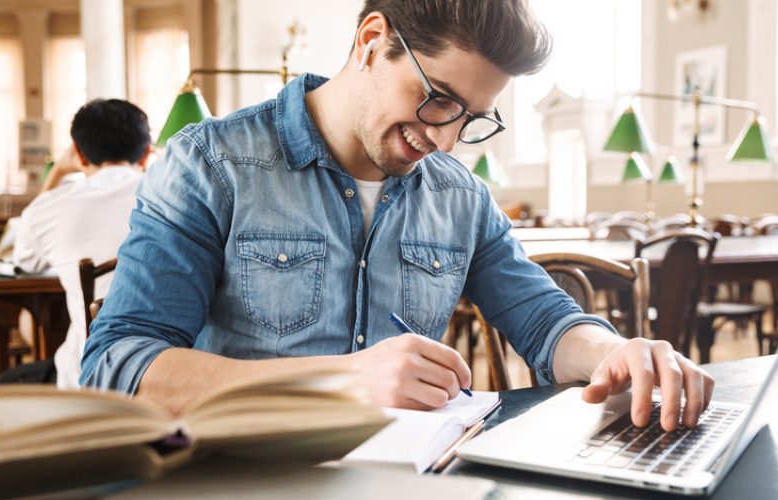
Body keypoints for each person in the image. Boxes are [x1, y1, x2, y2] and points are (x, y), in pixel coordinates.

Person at [82, 0, 713, 431]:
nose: (444, 140)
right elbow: (118, 368)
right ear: (371, 41)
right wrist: (344, 380)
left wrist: (616, 352)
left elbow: (545, 323)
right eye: (438, 99)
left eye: (470, 118)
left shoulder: (460, 196)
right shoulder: (209, 162)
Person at [5, 98, 150, 388]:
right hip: (168, 374)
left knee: (14, 371)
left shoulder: (50, 206)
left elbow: (24, 262)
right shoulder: (176, 196)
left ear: (79, 155)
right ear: (146, 153)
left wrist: (58, 172)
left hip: (86, 376)